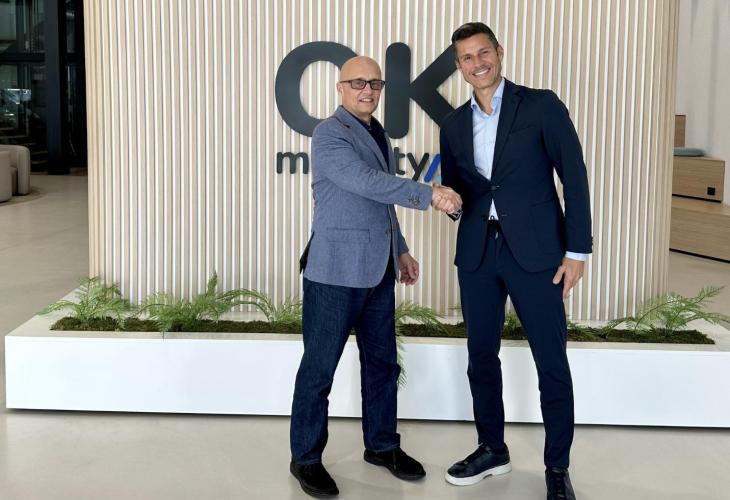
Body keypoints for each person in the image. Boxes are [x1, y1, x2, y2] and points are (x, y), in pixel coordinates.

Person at [289, 55, 461, 498]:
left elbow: (378, 202)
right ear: (340, 88)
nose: (368, 90)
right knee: (319, 370)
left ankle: (382, 446)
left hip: (378, 270)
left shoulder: (379, 134)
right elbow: (364, 181)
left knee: (383, 366)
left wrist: (399, 249)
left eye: (375, 83)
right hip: (334, 273)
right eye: (358, 83)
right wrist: (428, 193)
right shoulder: (329, 133)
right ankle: (305, 457)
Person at [438, 22, 592, 500]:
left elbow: (574, 176)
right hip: (478, 253)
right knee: (481, 356)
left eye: (483, 52)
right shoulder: (452, 125)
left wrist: (577, 251)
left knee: (551, 361)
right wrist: (449, 201)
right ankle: (492, 449)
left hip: (538, 253)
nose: (477, 63)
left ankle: (557, 467)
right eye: (467, 57)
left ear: (499, 53)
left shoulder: (541, 105)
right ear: (459, 66)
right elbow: (463, 191)